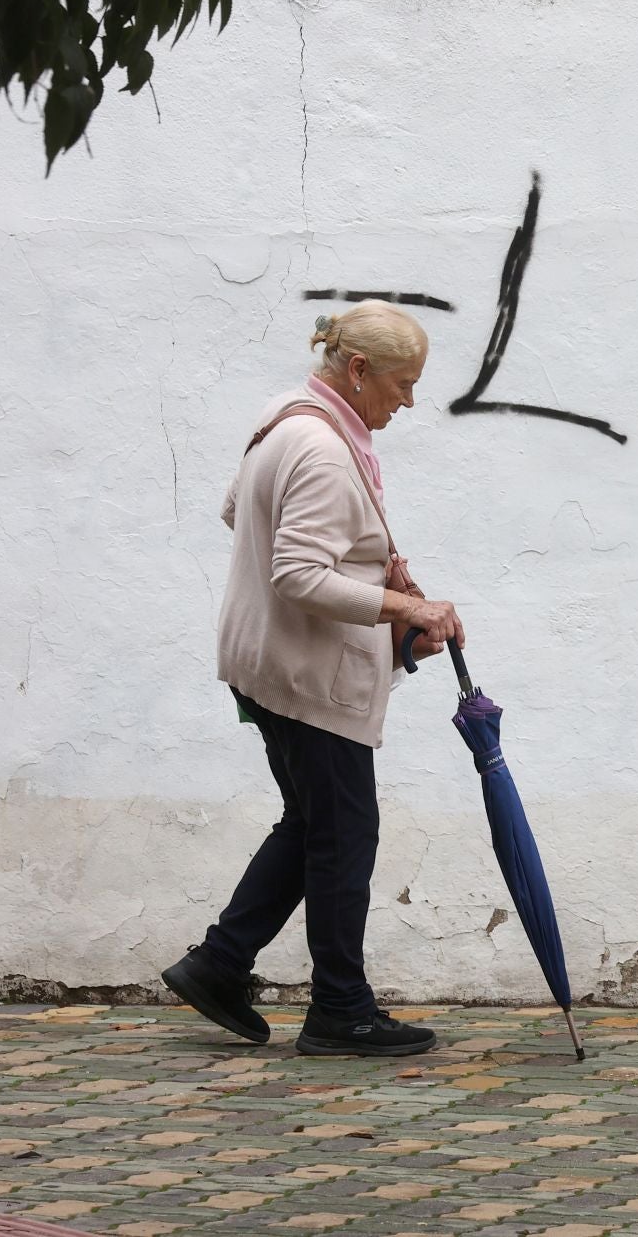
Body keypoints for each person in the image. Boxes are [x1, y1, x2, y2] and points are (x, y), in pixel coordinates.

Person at [161, 300, 464, 1057]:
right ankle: (340, 1008)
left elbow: (241, 515)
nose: (409, 400)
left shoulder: (285, 418)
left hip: (264, 662)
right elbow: (297, 572)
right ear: (357, 370)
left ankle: (219, 963)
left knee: (311, 822)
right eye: (401, 383)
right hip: (306, 677)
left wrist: (376, 592)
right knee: (343, 831)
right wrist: (401, 602)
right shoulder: (327, 449)